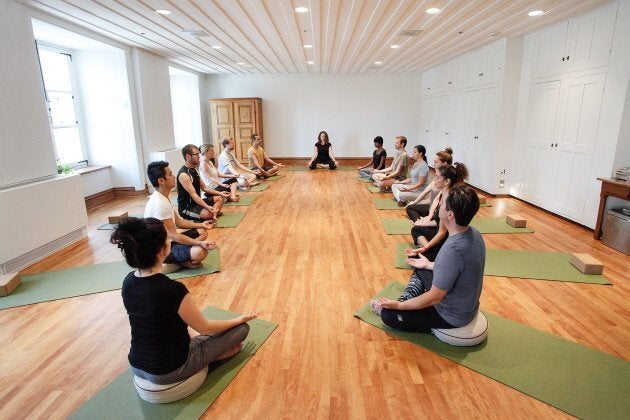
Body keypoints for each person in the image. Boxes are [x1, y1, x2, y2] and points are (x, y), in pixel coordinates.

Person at [111, 217, 257, 386]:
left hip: (137, 365)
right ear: (161, 251)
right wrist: (239, 319)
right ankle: (214, 357)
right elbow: (206, 328)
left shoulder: (128, 282)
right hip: (170, 370)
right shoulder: (172, 289)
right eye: (168, 239)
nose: (170, 241)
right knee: (241, 330)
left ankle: (209, 354)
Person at [371, 185, 485, 332]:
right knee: (420, 268)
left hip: (452, 315)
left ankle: (401, 303)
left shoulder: (452, 250)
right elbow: (457, 268)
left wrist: (399, 306)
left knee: (388, 315)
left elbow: (434, 298)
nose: (439, 205)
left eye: (442, 203)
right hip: (465, 304)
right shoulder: (474, 233)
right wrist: (428, 265)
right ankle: (407, 298)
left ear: (450, 215)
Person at [145, 161, 217, 268]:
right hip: (161, 251)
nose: (174, 176)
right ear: (161, 181)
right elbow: (174, 235)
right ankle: (179, 260)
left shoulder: (163, 197)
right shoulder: (159, 204)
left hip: (170, 242)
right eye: (170, 174)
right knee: (200, 252)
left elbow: (178, 222)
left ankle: (183, 256)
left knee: (202, 231)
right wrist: (199, 243)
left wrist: (201, 225)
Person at [407, 163, 469, 262]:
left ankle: (434, 252)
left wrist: (424, 248)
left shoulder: (449, 200)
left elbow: (442, 233)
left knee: (413, 257)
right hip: (440, 233)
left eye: (437, 177)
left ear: (447, 181)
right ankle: (431, 250)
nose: (434, 179)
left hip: (446, 240)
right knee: (416, 228)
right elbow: (438, 221)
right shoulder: (442, 194)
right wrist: (423, 223)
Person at [177, 144, 229, 222]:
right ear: (188, 156)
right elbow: (194, 195)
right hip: (187, 208)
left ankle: (212, 217)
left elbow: (204, 188)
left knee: (219, 198)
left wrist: (220, 193)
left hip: (197, 203)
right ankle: (211, 216)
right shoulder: (184, 175)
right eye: (196, 154)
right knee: (209, 214)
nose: (199, 156)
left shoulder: (194, 169)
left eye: (199, 153)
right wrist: (208, 207)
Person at [406, 148, 454, 221]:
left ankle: (422, 222)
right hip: (431, 207)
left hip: (439, 211)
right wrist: (414, 202)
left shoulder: (447, 180)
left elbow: (438, 200)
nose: (433, 164)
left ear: (444, 163)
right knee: (410, 207)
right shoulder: (437, 176)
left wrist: (430, 216)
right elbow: (426, 191)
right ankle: (420, 222)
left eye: (436, 162)